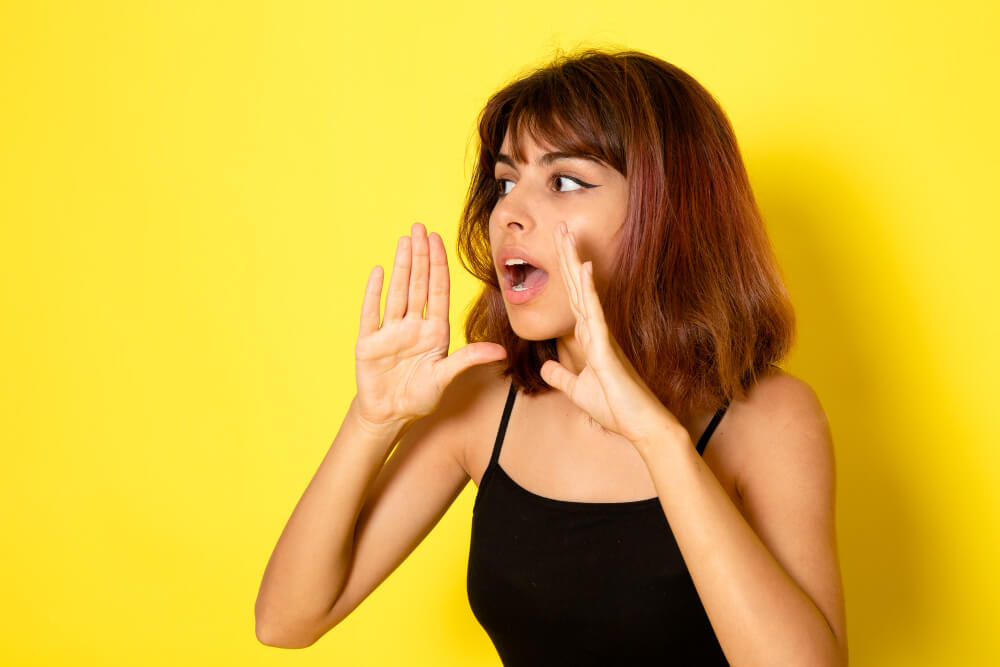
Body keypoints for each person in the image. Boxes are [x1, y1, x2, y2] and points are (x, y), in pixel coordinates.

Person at [254, 48, 848, 665]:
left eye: (564, 181)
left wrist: (657, 439)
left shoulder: (771, 418)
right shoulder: (481, 399)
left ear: (667, 212)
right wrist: (372, 422)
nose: (508, 211)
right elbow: (285, 620)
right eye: (506, 182)